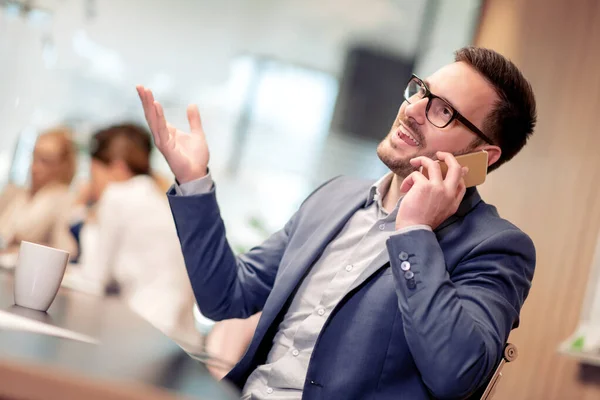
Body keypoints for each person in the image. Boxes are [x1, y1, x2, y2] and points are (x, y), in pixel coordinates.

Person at [136, 46, 537, 399]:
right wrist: (194, 181)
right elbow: (226, 297)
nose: (413, 109)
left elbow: (455, 375)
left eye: (443, 111)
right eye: (421, 91)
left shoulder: (496, 247)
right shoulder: (336, 196)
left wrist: (415, 231)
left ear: (482, 158)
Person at [65, 123, 200, 348]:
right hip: (181, 337)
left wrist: (81, 212)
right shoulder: (158, 195)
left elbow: (94, 279)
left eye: (93, 173)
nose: (90, 183)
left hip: (144, 331)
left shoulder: (118, 196)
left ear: (117, 167)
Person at [0, 127, 78, 255]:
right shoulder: (20, 193)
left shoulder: (64, 199)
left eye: (45, 161)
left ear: (63, 166)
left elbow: (68, 251)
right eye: (34, 157)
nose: (34, 167)